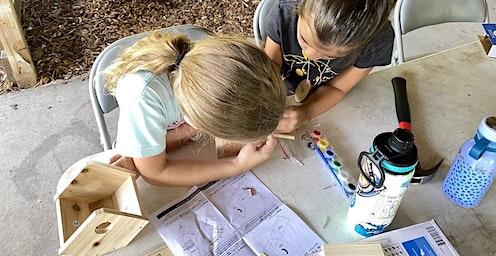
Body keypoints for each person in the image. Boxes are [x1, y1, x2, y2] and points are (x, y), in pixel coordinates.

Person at [104, 32, 286, 186]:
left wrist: (150, 154)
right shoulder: (142, 96)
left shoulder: (214, 69)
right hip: (153, 126)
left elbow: (152, 161)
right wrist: (236, 164)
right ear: (198, 122)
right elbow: (154, 174)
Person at [264, 0, 395, 133]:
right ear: (300, 7)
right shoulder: (286, 10)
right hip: (280, 87)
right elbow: (270, 66)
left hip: (325, 96)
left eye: (328, 56)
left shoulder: (377, 43)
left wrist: (306, 113)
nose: (310, 56)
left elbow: (337, 87)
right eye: (304, 40)